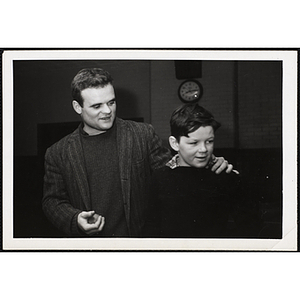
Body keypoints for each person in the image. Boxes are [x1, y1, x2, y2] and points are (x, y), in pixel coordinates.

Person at [42, 68, 233, 237]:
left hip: (139, 242)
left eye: (111, 102)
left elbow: (173, 171)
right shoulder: (58, 153)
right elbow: (52, 201)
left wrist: (209, 162)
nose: (107, 111)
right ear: (78, 107)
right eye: (97, 106)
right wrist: (74, 219)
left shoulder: (142, 134)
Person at [143, 103, 261, 238]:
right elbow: (151, 226)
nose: (204, 149)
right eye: (194, 143)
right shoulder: (160, 178)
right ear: (175, 143)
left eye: (209, 141)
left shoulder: (226, 176)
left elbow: (251, 226)